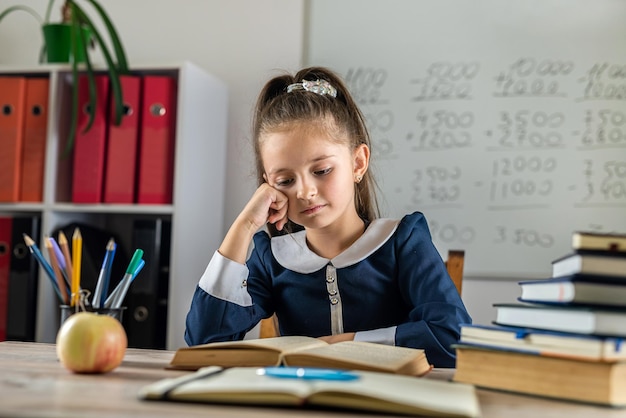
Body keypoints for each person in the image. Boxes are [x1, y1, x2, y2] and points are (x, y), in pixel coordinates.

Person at [184, 67, 471, 367]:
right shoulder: (273, 259)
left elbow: (452, 337)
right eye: (285, 181)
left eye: (322, 171)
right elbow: (204, 343)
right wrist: (244, 226)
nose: (305, 191)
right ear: (268, 184)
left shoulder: (403, 242)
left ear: (358, 163)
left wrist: (344, 345)